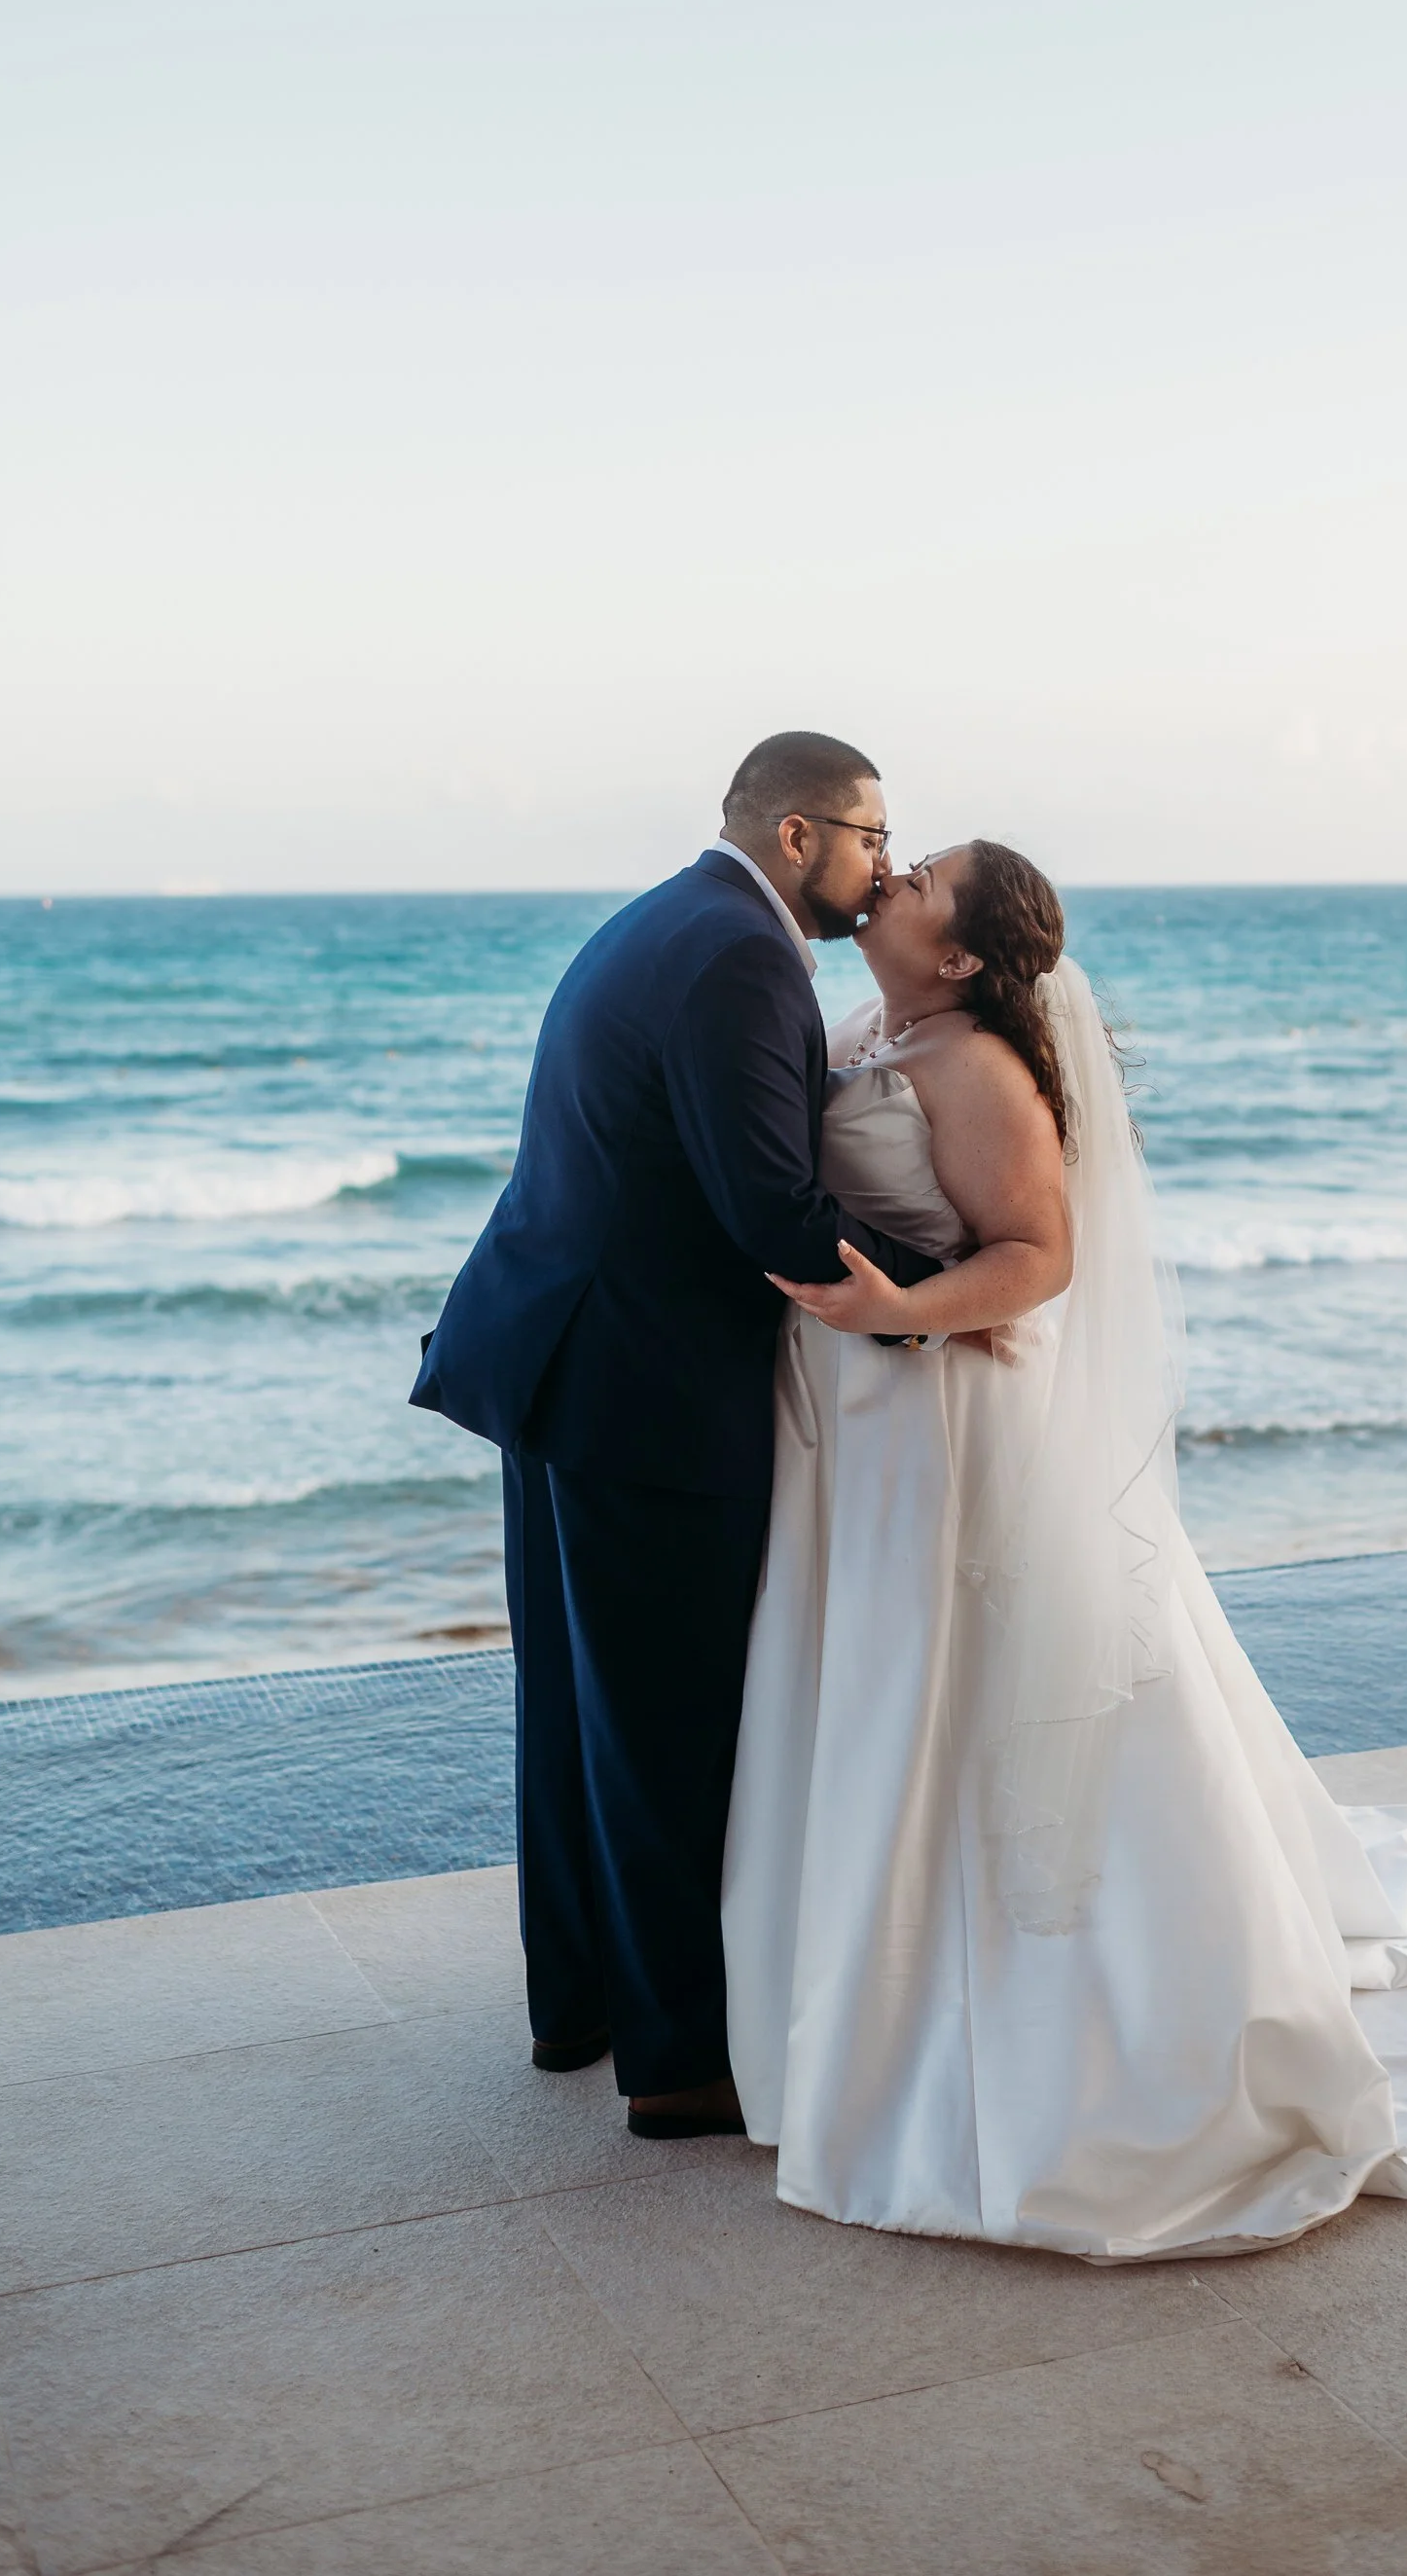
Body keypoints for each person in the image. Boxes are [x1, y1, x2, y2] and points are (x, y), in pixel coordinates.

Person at [721, 841, 1407, 2255]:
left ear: (955, 955)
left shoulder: (981, 1069)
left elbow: (1041, 1254)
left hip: (948, 1418)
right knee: (890, 1693)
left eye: (926, 876)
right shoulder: (878, 1024)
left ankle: (1036, 2008)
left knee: (961, 1690)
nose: (898, 875)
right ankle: (863, 1981)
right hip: (873, 1429)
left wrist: (905, 1310)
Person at [411, 734, 941, 2137]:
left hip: (560, 1359)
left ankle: (578, 2007)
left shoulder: (677, 920)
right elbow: (766, 1208)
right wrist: (948, 1291)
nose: (885, 862)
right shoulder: (742, 957)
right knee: (661, 1728)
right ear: (795, 838)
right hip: (631, 1386)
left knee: (579, 1716)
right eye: (871, 836)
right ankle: (672, 2067)